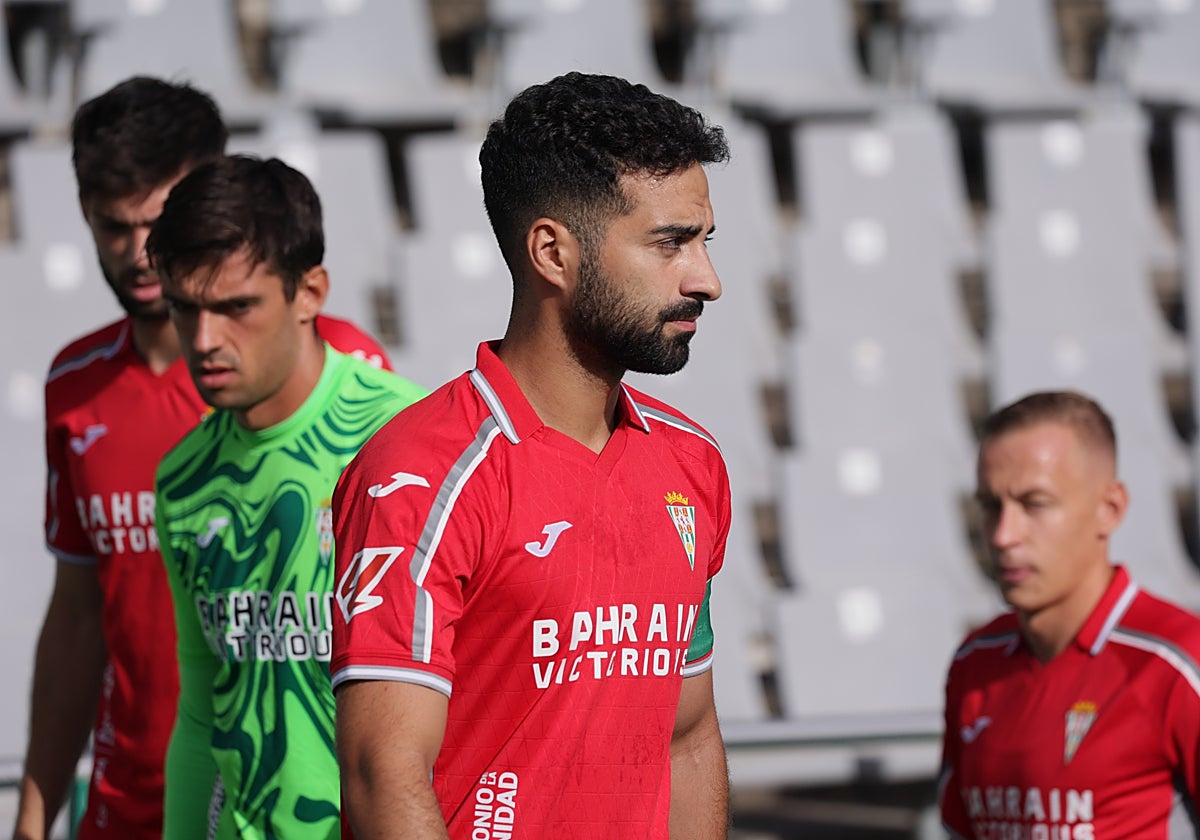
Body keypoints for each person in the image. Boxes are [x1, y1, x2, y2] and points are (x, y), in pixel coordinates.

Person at [331, 71, 732, 839]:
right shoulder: (418, 477)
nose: (706, 280)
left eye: (705, 241)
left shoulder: (693, 464)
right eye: (670, 243)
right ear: (552, 252)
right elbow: (383, 775)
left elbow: (687, 737)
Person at [15, 77, 393, 840]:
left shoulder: (347, 378)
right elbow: (79, 614)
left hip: (304, 805)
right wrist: (32, 817)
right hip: (135, 798)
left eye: (155, 222)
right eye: (111, 227)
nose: (138, 253)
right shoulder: (77, 387)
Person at [146, 154, 426, 839]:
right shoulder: (182, 477)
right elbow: (201, 710)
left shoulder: (411, 445)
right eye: (185, 309)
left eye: (236, 307)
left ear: (309, 293)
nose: (205, 340)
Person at [939, 390, 1200, 838]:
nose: (1003, 535)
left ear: (1109, 509)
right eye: (990, 506)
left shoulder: (1176, 664)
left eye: (1034, 504)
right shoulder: (973, 663)